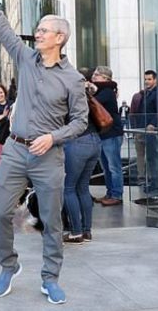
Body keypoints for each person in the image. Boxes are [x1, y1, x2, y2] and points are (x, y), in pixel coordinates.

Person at [0, 0, 88, 305]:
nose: (37, 34)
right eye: (38, 29)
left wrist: (54, 138)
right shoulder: (26, 59)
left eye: (44, 30)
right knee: (0, 212)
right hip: (14, 150)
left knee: (51, 220)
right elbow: (4, 30)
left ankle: (50, 278)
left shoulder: (72, 78)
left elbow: (81, 122)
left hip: (49, 156)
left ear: (60, 37)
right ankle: (8, 266)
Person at [62, 68, 101, 243]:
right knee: (83, 187)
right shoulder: (85, 92)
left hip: (77, 142)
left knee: (68, 188)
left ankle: (76, 231)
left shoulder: (67, 94)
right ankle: (87, 231)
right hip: (94, 140)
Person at [91, 66, 124, 206]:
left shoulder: (107, 91)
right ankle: (110, 192)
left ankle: (116, 194)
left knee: (113, 166)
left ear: (106, 78)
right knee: (106, 167)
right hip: (104, 134)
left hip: (111, 134)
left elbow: (92, 103)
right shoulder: (103, 90)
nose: (93, 77)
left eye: (97, 75)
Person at [134, 70, 158, 192]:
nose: (147, 81)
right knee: (149, 157)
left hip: (152, 130)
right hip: (144, 130)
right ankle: (152, 181)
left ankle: (156, 182)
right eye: (145, 79)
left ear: (155, 80)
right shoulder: (147, 94)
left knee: (153, 157)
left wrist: (152, 124)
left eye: (149, 79)